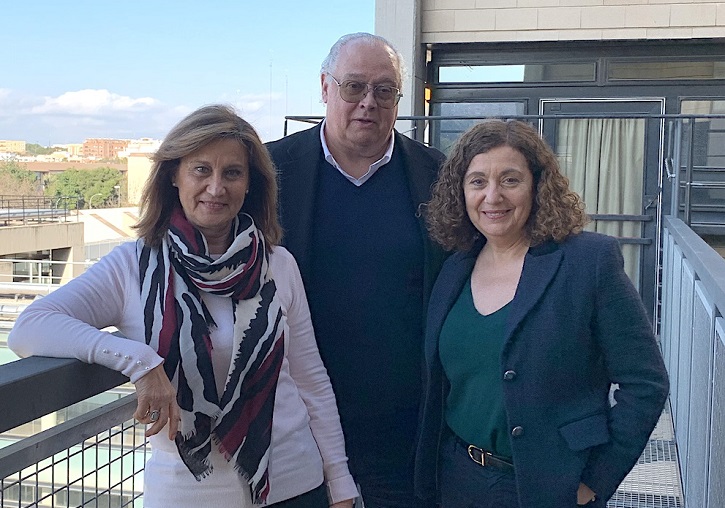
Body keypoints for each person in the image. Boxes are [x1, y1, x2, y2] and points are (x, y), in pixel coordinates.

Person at [8, 105, 358, 508]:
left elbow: (310, 378)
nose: (216, 187)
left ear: (250, 185)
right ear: (173, 174)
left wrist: (341, 483)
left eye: (232, 172)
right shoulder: (132, 267)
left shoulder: (278, 264)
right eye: (200, 169)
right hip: (186, 494)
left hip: (295, 485)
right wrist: (140, 361)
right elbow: (30, 327)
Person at [414, 119, 670, 508]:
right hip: (459, 478)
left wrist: (596, 480)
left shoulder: (587, 262)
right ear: (461, 191)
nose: (492, 196)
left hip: (552, 486)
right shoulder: (454, 267)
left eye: (510, 180)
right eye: (478, 181)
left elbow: (645, 383)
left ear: (537, 185)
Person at [266, 33, 446, 508]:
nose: (369, 102)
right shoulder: (266, 171)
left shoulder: (437, 174)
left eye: (384, 90)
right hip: (295, 426)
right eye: (354, 87)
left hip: (403, 433)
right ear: (325, 87)